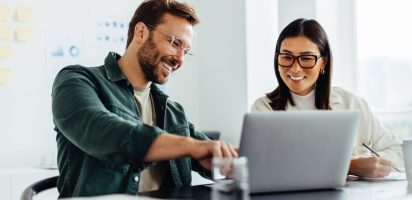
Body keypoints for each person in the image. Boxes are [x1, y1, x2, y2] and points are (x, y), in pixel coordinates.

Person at [51, 0, 237, 198]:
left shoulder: (173, 111)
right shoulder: (77, 80)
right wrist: (191, 146)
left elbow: (209, 152)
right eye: (175, 43)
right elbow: (102, 130)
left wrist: (237, 158)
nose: (180, 59)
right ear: (141, 32)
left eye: (186, 51)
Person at [251, 18, 402, 178]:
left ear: (323, 63)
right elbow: (267, 165)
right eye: (287, 57)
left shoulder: (351, 103)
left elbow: (397, 151)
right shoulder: (264, 108)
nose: (295, 68)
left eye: (306, 58)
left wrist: (375, 164)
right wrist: (349, 165)